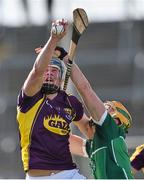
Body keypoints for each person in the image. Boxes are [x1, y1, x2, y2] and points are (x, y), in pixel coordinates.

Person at [16, 19, 90, 179]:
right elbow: (37, 71)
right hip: (38, 177)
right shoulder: (28, 99)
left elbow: (89, 132)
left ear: (61, 77)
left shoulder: (70, 103)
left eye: (54, 70)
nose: (49, 73)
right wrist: (54, 39)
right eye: (46, 70)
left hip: (69, 174)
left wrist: (93, 148)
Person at [53, 46, 134, 179]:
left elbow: (85, 89)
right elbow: (65, 139)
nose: (101, 107)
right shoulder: (96, 144)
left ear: (117, 120)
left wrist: (64, 57)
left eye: (107, 108)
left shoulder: (112, 131)